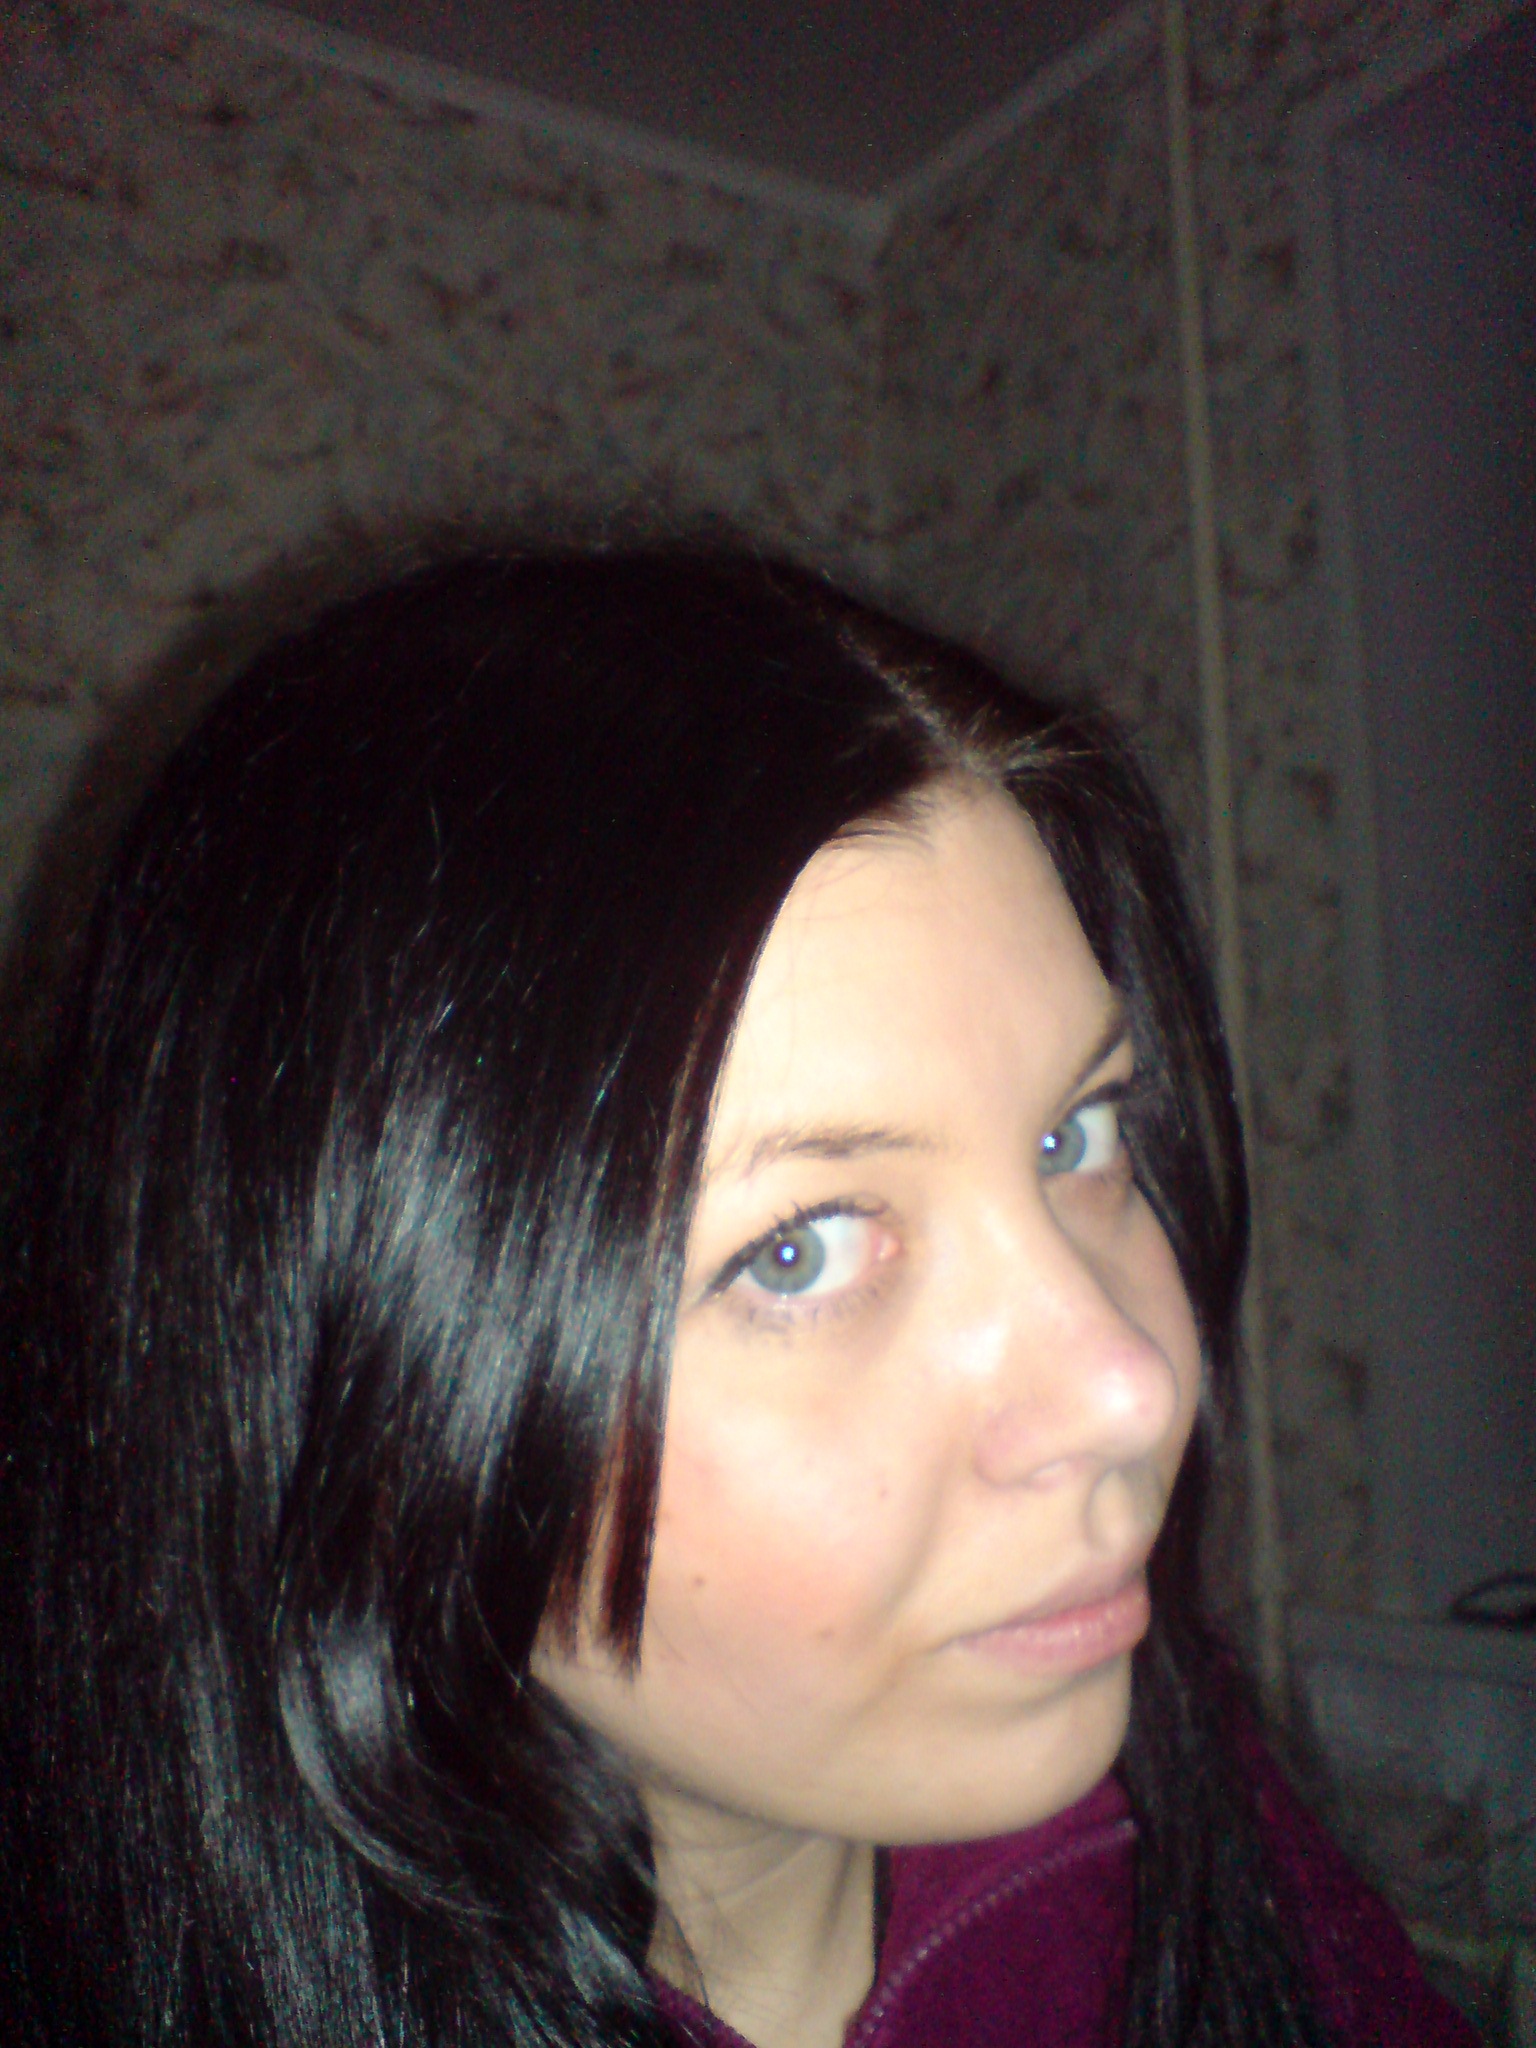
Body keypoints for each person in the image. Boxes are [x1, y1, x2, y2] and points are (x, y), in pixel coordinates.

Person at [0, 552, 1473, 2048]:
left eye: (1073, 1139)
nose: (1129, 1387)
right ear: (360, 1402)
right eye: (799, 1252)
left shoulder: (1195, 1828)